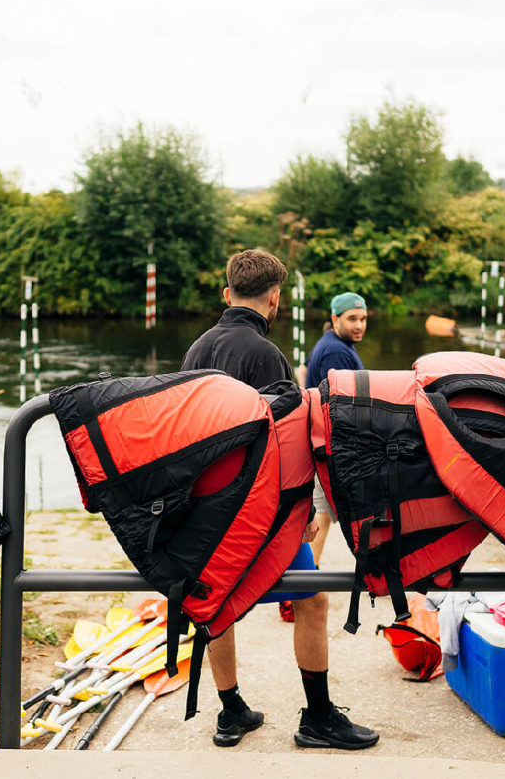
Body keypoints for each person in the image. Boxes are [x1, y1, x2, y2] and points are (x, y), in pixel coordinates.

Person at [181, 249, 380, 750]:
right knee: (311, 600)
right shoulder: (267, 356)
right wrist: (306, 507)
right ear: (274, 299)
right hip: (255, 512)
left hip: (203, 510)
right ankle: (317, 717)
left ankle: (230, 713)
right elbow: (283, 441)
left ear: (227, 295)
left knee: (215, 604)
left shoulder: (195, 350)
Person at [303, 293, 368, 566]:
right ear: (335, 319)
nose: (359, 325)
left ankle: (307, 573)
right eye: (352, 319)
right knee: (361, 512)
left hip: (321, 444)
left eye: (363, 319)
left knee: (321, 515)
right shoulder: (336, 351)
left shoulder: (335, 344)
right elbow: (342, 405)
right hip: (330, 447)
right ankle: (304, 581)